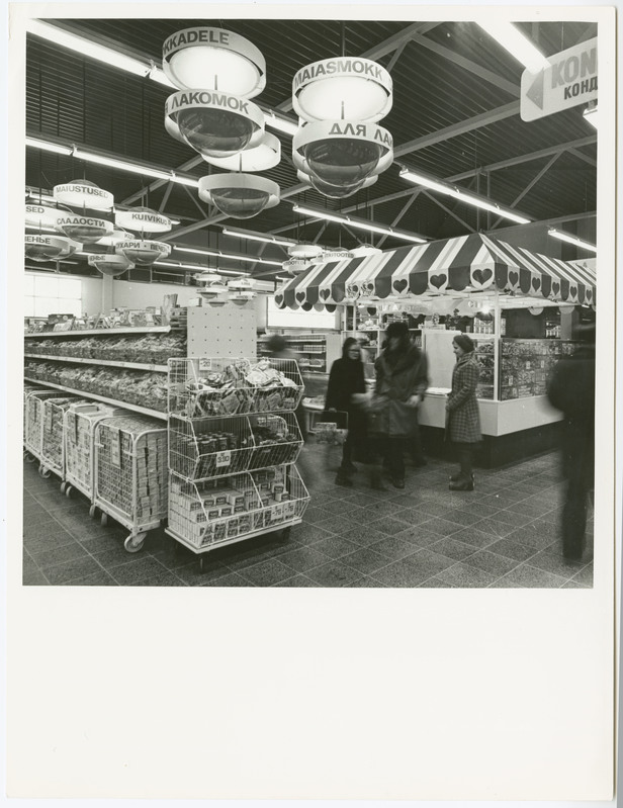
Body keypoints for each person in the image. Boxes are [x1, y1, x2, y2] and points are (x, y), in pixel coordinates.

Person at [546, 323, 595, 561]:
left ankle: (572, 551)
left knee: (574, 496)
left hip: (573, 439)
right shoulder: (610, 365)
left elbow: (552, 399)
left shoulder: (564, 366)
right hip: (602, 439)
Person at [374, 321, 429, 489]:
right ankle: (390, 466)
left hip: (402, 404)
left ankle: (398, 474)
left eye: (396, 337)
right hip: (385, 403)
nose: (392, 341)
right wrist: (376, 395)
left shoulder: (417, 356)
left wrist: (417, 394)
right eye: (391, 337)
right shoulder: (384, 356)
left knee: (397, 441)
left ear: (404, 337)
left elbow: (422, 380)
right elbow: (380, 377)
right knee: (386, 439)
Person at [324, 337, 367, 487]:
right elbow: (332, 387)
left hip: (354, 408)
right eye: (352, 350)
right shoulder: (338, 364)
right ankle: (342, 474)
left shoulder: (359, 365)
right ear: (346, 350)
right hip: (340, 408)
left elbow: (361, 387)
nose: (355, 353)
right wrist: (331, 406)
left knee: (350, 439)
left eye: (357, 351)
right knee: (340, 439)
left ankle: (346, 462)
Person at [445, 333, 481, 491]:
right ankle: (465, 473)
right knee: (462, 444)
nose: (454, 351)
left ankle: (466, 480)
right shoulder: (465, 362)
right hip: (463, 409)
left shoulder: (469, 365)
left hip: (464, 410)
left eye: (456, 348)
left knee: (464, 445)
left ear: (464, 348)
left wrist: (451, 403)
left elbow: (467, 389)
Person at [264, 334, 307, 442]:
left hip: (281, 394)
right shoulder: (294, 355)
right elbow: (301, 373)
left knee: (284, 419)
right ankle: (300, 438)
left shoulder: (274, 358)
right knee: (296, 416)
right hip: (294, 392)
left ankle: (285, 439)